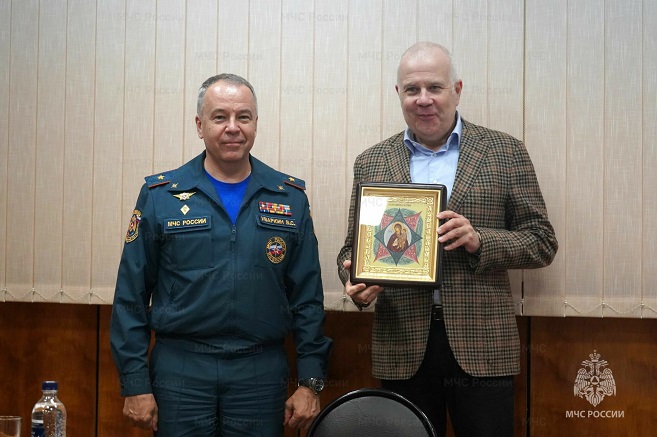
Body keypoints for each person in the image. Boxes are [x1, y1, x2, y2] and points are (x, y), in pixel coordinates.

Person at [337, 42, 558, 436]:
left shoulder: (505, 152)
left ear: (457, 89)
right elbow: (353, 249)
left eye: (435, 88)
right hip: (402, 344)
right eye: (412, 89)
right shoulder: (372, 161)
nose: (423, 99)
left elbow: (542, 241)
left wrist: (479, 240)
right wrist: (353, 278)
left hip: (482, 346)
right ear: (399, 94)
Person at [111, 73, 332, 437]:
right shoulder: (161, 195)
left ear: (255, 123)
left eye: (243, 117)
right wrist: (134, 382)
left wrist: (310, 381)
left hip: (259, 371)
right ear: (200, 125)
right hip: (181, 369)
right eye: (220, 117)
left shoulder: (288, 198)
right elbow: (130, 295)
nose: (233, 127)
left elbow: (308, 298)